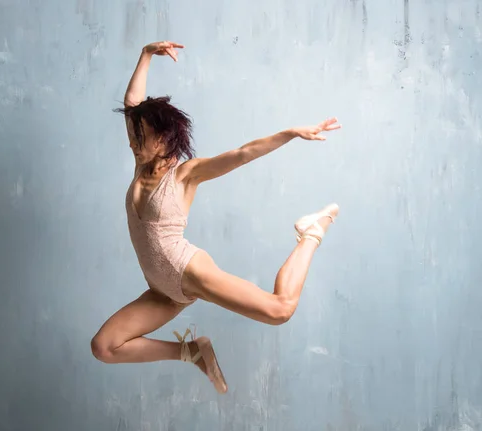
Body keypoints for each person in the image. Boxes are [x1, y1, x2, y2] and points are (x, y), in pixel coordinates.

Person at [91, 41, 341, 394]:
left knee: (279, 309)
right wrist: (145, 55)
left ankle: (312, 231)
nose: (132, 141)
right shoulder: (141, 161)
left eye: (141, 137)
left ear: (163, 140)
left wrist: (289, 134)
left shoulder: (184, 175)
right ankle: (192, 352)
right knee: (104, 346)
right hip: (163, 291)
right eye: (133, 134)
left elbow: (240, 154)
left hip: (187, 271)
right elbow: (132, 103)